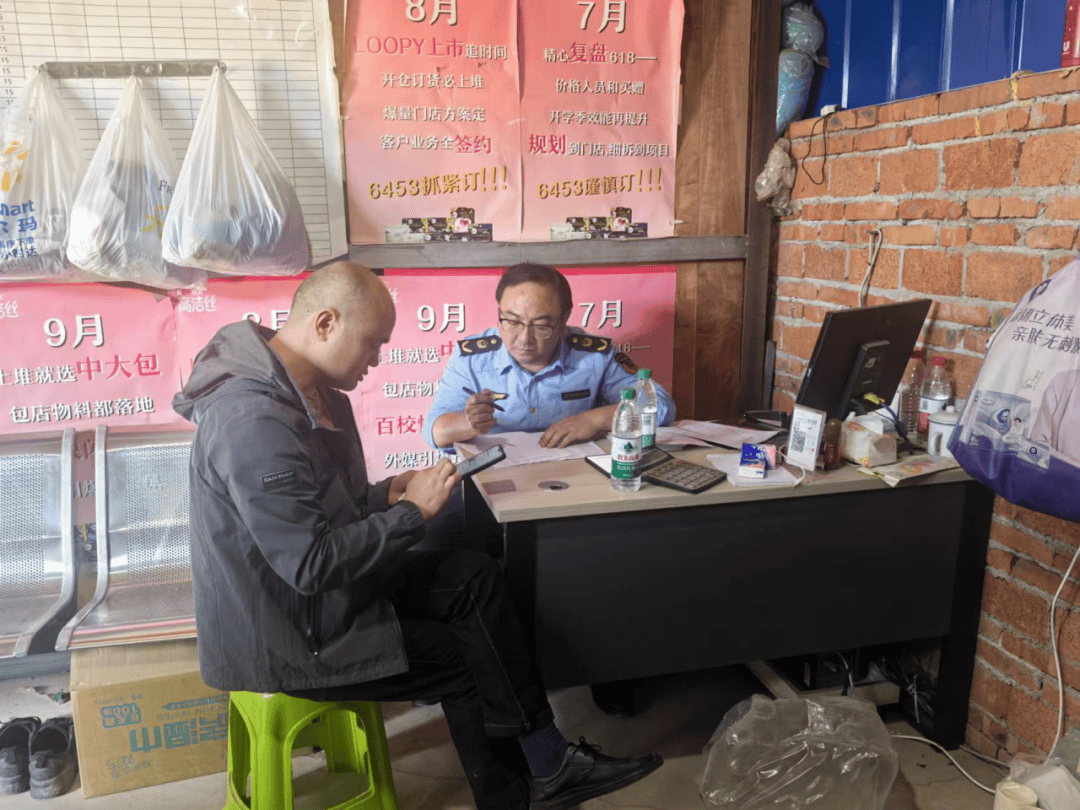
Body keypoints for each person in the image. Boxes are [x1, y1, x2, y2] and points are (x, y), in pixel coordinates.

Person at [171, 261, 662, 810]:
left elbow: (325, 510)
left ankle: (548, 762)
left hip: (323, 599)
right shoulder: (253, 419)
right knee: (468, 653)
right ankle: (518, 793)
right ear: (326, 323)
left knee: (475, 577)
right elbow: (309, 563)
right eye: (372, 344)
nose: (377, 360)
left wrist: (387, 493)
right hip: (290, 632)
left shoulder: (315, 392)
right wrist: (411, 514)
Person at [424, 261, 676, 450]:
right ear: (499, 314)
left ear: (564, 318)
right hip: (494, 478)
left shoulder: (594, 355)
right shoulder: (472, 357)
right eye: (512, 321)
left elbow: (661, 406)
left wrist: (594, 420)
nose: (525, 338)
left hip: (576, 476)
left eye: (541, 326)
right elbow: (434, 431)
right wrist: (469, 423)